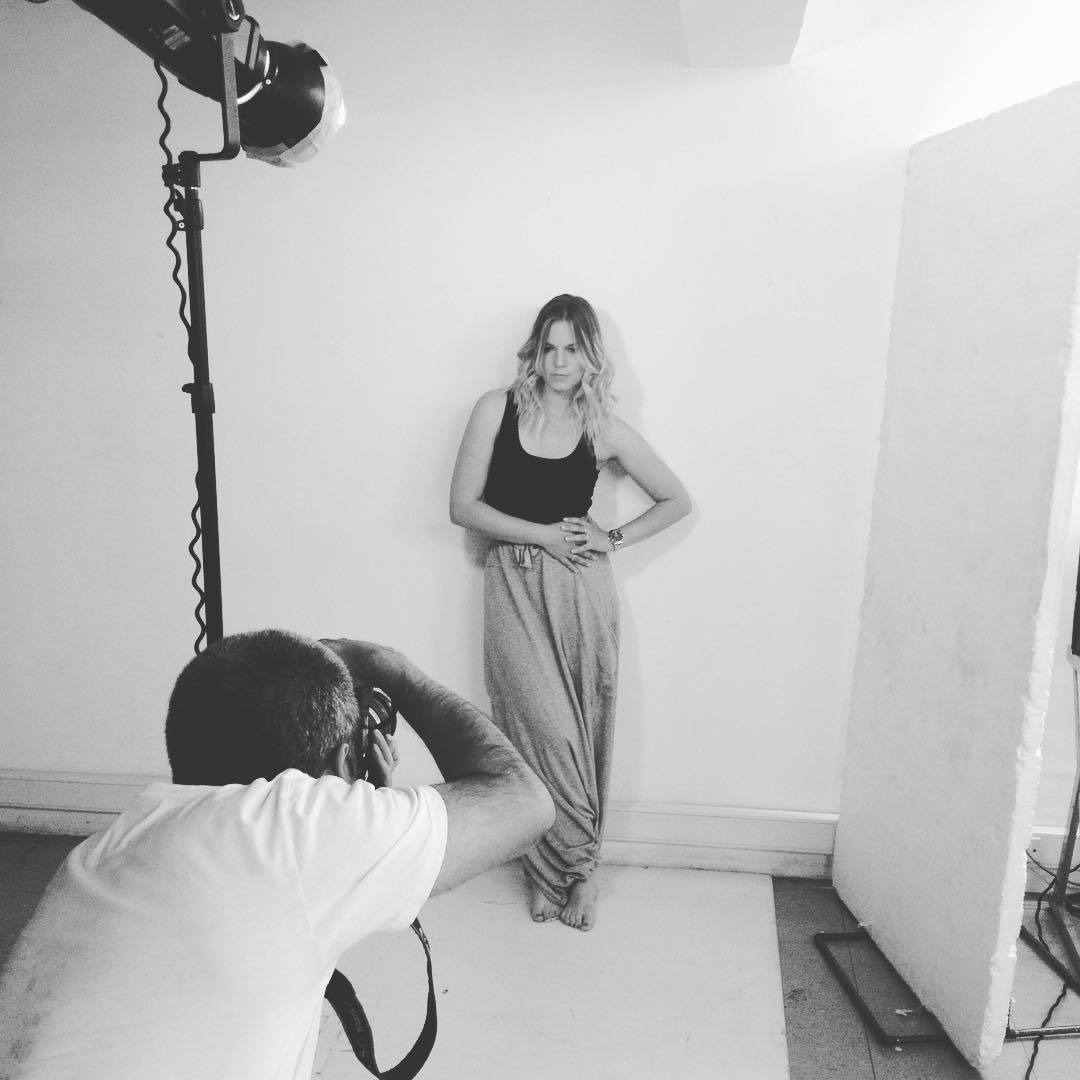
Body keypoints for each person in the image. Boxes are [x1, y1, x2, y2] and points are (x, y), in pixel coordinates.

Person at [0, 630, 553, 1080]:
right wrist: (393, 670)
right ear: (344, 763)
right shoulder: (291, 832)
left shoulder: (112, 845)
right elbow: (524, 803)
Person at [449, 294, 691, 931]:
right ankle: (545, 868)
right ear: (535, 351)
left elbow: (676, 500)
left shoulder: (602, 428)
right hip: (512, 585)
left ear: (590, 358)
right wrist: (544, 535)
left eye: (573, 349)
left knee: (580, 731)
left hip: (581, 589)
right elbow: (464, 507)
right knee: (536, 731)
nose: (559, 361)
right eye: (549, 347)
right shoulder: (496, 409)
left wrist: (612, 538)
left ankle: (580, 872)